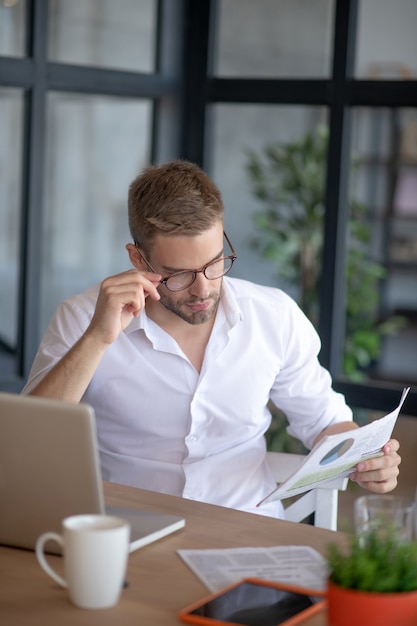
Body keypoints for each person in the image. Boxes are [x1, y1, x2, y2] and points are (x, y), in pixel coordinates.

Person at [23, 160, 401, 518]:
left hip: (247, 533)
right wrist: (97, 340)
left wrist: (367, 459)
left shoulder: (273, 316)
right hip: (130, 535)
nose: (203, 289)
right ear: (138, 259)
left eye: (214, 263)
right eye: (180, 274)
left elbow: (323, 421)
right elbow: (28, 439)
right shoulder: (81, 318)